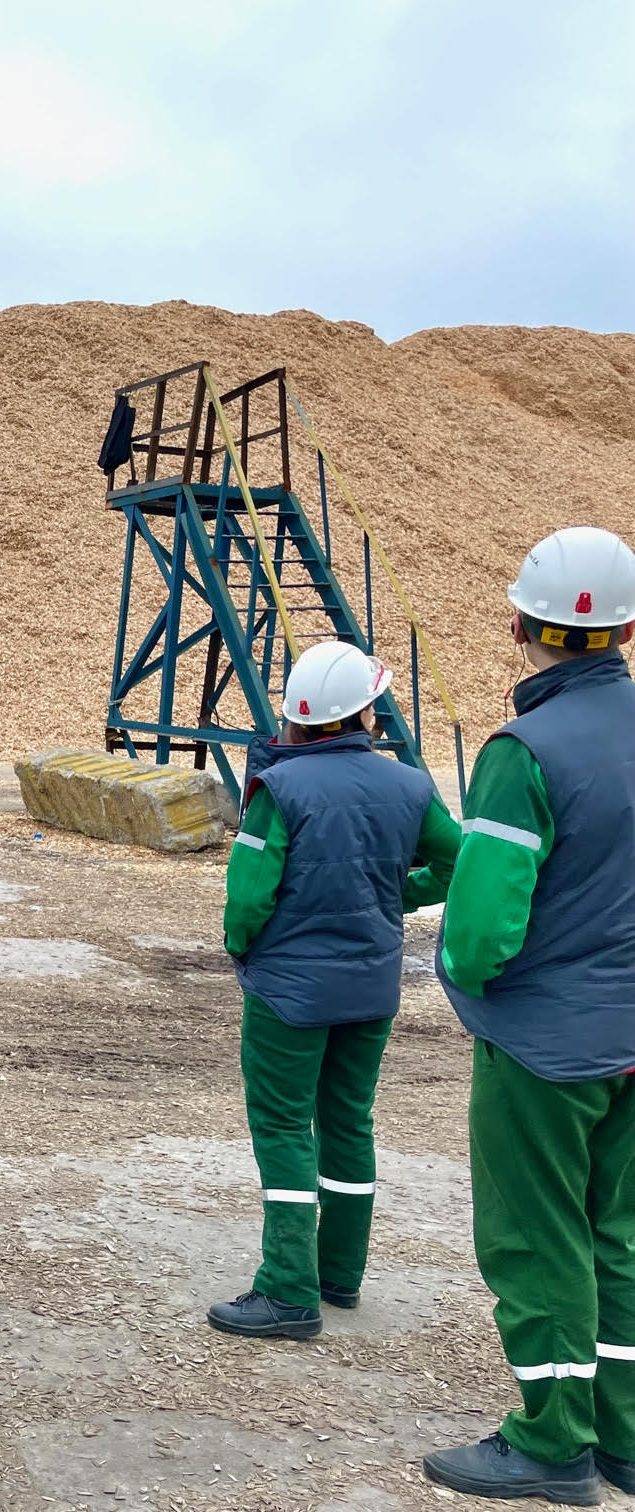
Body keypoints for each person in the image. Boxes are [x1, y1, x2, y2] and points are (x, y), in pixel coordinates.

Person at [424, 528, 635, 1506]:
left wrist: (465, 981)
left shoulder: (523, 753)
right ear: (628, 627)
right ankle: (623, 1439)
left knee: (535, 1241)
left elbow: (478, 931)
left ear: (520, 624)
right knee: (617, 1238)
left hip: (544, 1046)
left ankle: (553, 1443)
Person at [206, 640, 459, 1344]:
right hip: (371, 988)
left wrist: (241, 947)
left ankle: (288, 1290)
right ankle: (338, 1273)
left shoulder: (280, 790)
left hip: (289, 992)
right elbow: (459, 860)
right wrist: (400, 896)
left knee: (285, 1129)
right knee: (349, 1122)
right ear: (365, 714)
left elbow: (248, 898)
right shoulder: (410, 786)